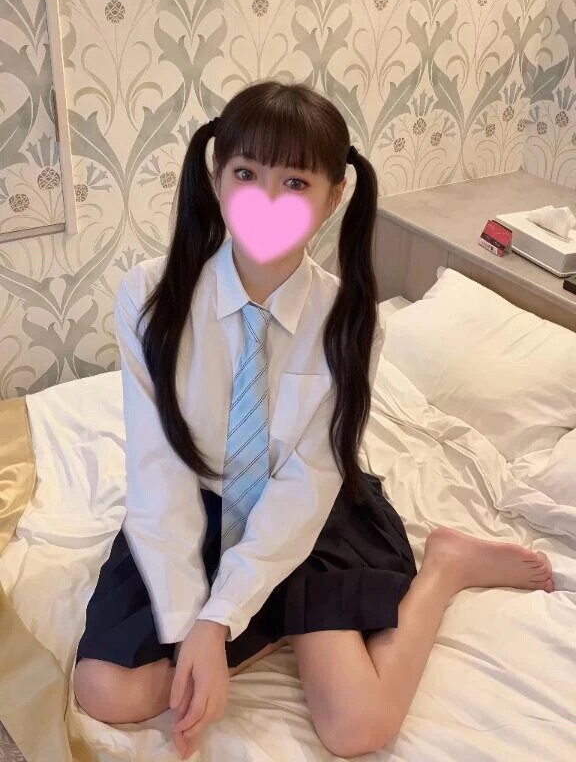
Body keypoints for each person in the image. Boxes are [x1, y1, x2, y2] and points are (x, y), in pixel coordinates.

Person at [73, 80, 554, 760]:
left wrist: (219, 620)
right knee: (104, 690)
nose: (267, 200)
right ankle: (272, 618)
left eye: (295, 182)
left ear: (333, 198)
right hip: (197, 503)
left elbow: (308, 482)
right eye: (247, 173)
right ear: (217, 177)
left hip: (307, 513)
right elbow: (158, 468)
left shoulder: (349, 323)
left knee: (357, 727)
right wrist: (194, 622)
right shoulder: (150, 296)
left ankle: (444, 567)